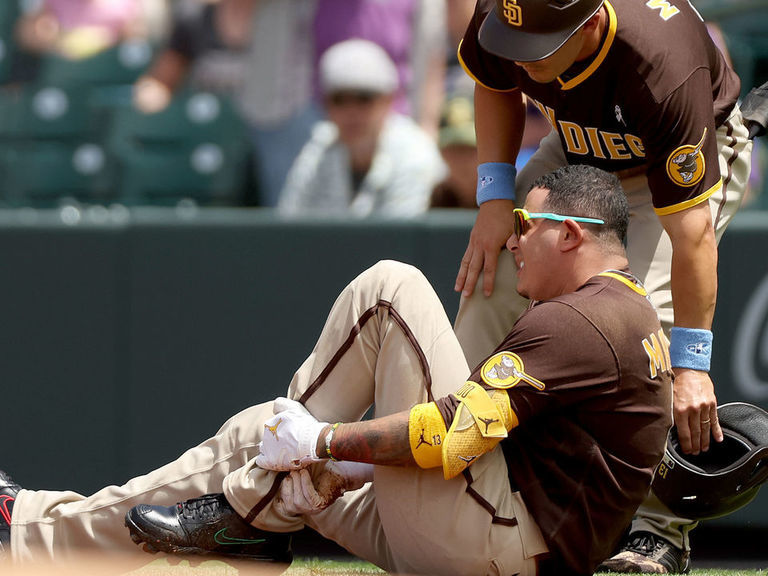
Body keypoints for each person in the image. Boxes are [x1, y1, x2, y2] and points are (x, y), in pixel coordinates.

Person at [0, 165, 673, 576]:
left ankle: (252, 504)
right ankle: (28, 527)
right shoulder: (621, 312)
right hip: (500, 534)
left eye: (527, 221)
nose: (515, 236)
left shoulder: (579, 321)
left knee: (391, 285)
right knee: (259, 432)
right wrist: (331, 460)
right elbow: (500, 441)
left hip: (493, 542)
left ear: (571, 233)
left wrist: (324, 446)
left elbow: (450, 437)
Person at [452, 0, 753, 571]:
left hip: (671, 160)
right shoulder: (506, 9)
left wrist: (692, 365)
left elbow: (690, 237)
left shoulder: (664, 64)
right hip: (576, 148)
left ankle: (659, 534)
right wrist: (494, 199)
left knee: (642, 323)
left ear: (589, 22)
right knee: (491, 288)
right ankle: (451, 473)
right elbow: (495, 81)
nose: (520, 51)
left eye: (536, 44)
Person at [278, 38, 447, 218]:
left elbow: (400, 240)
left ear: (388, 100)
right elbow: (290, 224)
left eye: (363, 98)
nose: (351, 112)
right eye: (339, 100)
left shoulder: (414, 152)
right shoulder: (319, 147)